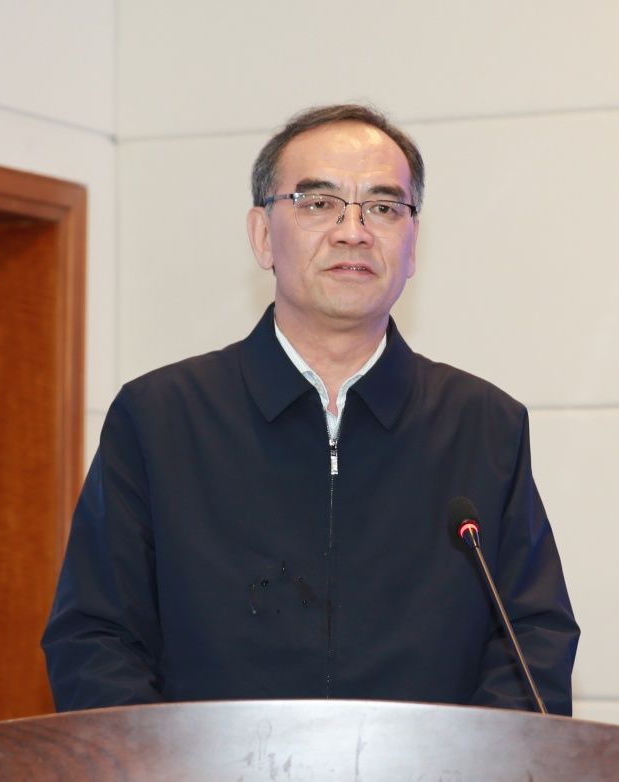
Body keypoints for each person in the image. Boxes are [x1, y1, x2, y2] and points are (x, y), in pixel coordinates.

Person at [42, 104, 580, 715]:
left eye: (384, 208)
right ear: (262, 235)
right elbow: (95, 641)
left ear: (412, 246)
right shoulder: (160, 418)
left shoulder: (483, 426)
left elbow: (531, 642)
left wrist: (467, 761)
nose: (354, 231)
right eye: (319, 203)